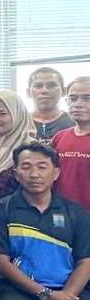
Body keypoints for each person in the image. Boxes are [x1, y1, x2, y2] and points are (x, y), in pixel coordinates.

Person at [0, 143, 90, 300]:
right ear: (16, 173)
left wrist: (64, 298)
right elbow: (1, 263)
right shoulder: (1, 210)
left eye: (42, 167)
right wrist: (46, 295)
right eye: (26, 167)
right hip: (16, 290)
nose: (34, 174)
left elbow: (85, 262)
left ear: (56, 173)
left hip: (66, 289)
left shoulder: (76, 212)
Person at [52, 77, 90, 211]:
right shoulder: (59, 137)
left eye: (87, 98)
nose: (78, 104)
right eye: (73, 99)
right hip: (60, 215)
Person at [28, 67, 74, 142]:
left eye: (52, 85)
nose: (44, 90)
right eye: (38, 86)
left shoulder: (75, 122)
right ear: (28, 92)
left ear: (63, 91)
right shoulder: (18, 123)